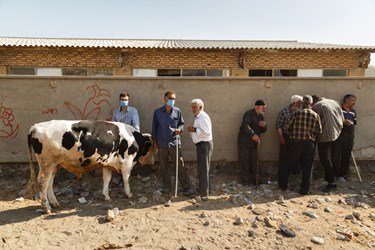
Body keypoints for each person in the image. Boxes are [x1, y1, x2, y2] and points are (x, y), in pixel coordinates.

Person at [152, 90, 194, 195]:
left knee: (179, 165)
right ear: (165, 99)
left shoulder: (177, 111)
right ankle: (166, 186)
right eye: (170, 98)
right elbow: (154, 129)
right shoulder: (157, 112)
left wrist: (180, 129)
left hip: (174, 143)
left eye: (174, 99)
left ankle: (186, 186)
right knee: (163, 166)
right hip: (162, 144)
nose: (172, 100)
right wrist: (155, 143)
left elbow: (181, 124)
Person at [281, 95, 322, 195]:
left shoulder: (296, 113)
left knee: (287, 164)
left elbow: (288, 127)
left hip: (296, 143)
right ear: (311, 103)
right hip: (309, 144)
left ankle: (283, 186)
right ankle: (304, 190)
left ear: (302, 103)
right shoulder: (315, 115)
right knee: (308, 168)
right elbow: (319, 131)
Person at [312, 96, 344, 192]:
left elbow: (314, 123)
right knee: (335, 156)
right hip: (338, 132)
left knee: (325, 159)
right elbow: (342, 118)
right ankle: (334, 176)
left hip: (325, 136)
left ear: (313, 102)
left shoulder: (317, 106)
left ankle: (331, 183)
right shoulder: (334, 102)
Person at [187, 99, 213, 201]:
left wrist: (193, 129)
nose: (193, 109)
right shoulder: (199, 117)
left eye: (195, 107)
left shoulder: (203, 117)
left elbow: (206, 132)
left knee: (203, 169)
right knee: (202, 169)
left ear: (200, 107)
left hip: (204, 145)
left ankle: (204, 193)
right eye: (192, 107)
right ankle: (203, 190)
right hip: (201, 145)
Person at [238, 99, 267, 186]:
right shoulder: (249, 114)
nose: (264, 110)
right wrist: (252, 134)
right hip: (245, 142)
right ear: (257, 107)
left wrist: (264, 126)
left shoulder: (261, 116)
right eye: (263, 108)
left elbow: (263, 130)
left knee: (254, 161)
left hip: (254, 143)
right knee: (245, 161)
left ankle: (257, 180)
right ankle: (245, 182)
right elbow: (245, 125)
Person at [276, 95, 302, 189]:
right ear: (294, 102)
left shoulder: (301, 112)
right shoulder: (284, 112)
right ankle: (281, 180)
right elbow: (279, 125)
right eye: (299, 102)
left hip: (296, 138)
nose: (300, 104)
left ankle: (294, 178)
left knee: (296, 159)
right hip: (286, 137)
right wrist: (281, 137)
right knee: (283, 158)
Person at [332, 94, 357, 182]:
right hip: (339, 136)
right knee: (336, 154)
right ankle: (335, 174)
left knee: (346, 155)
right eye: (353, 100)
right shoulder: (339, 110)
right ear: (347, 100)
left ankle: (343, 174)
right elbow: (334, 121)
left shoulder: (353, 111)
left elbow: (354, 123)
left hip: (349, 136)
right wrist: (343, 122)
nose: (354, 102)